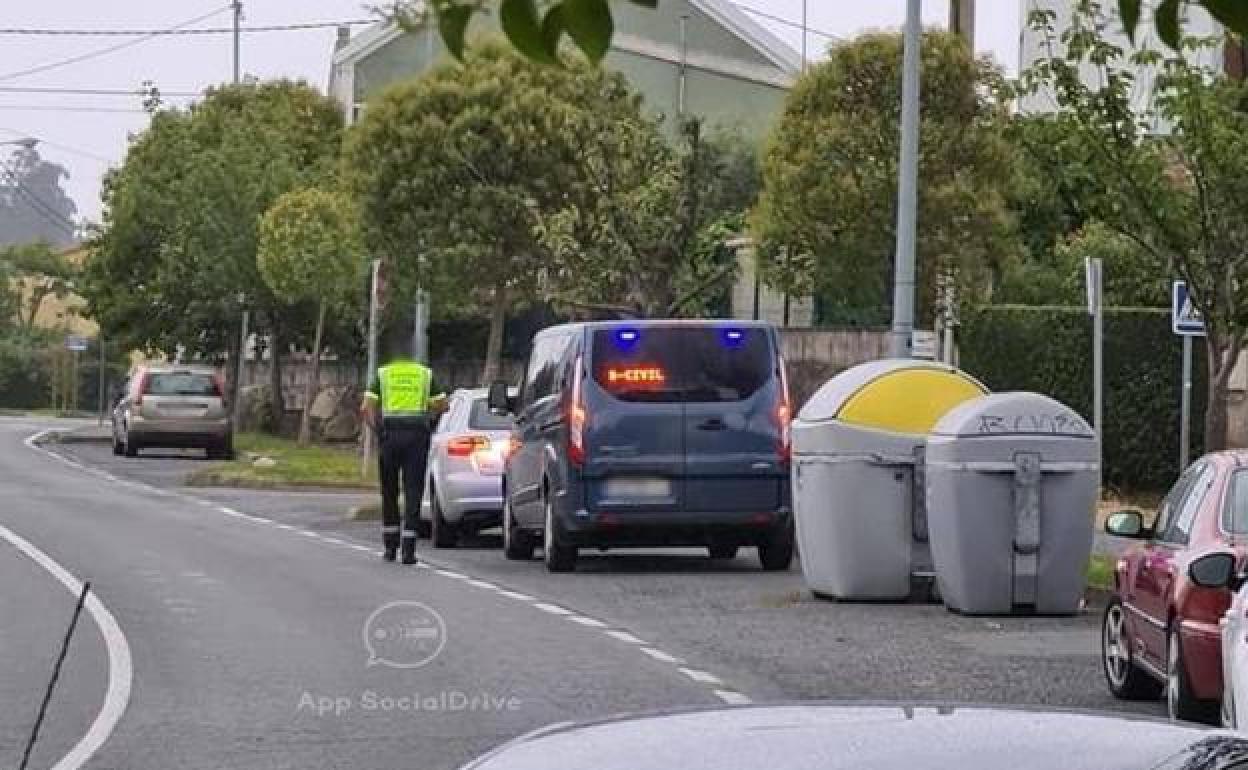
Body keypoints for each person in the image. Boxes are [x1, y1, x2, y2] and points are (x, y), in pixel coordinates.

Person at [361, 327, 447, 564]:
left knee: (389, 491)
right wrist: (430, 422)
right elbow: (442, 405)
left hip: (390, 434)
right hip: (417, 435)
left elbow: (367, 408)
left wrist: (378, 431)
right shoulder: (425, 375)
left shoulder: (383, 374)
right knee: (413, 491)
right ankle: (408, 550)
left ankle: (390, 547)